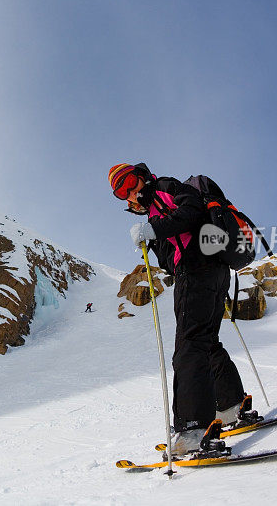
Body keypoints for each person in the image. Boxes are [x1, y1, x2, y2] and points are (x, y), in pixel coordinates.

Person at [108, 163, 253, 456]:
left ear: (142, 176)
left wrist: (155, 228)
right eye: (122, 191)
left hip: (197, 271)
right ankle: (231, 406)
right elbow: (170, 255)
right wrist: (153, 240)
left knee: (188, 346)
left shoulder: (164, 188)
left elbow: (191, 213)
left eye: (130, 182)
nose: (130, 192)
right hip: (214, 271)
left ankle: (192, 430)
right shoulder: (155, 211)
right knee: (207, 343)